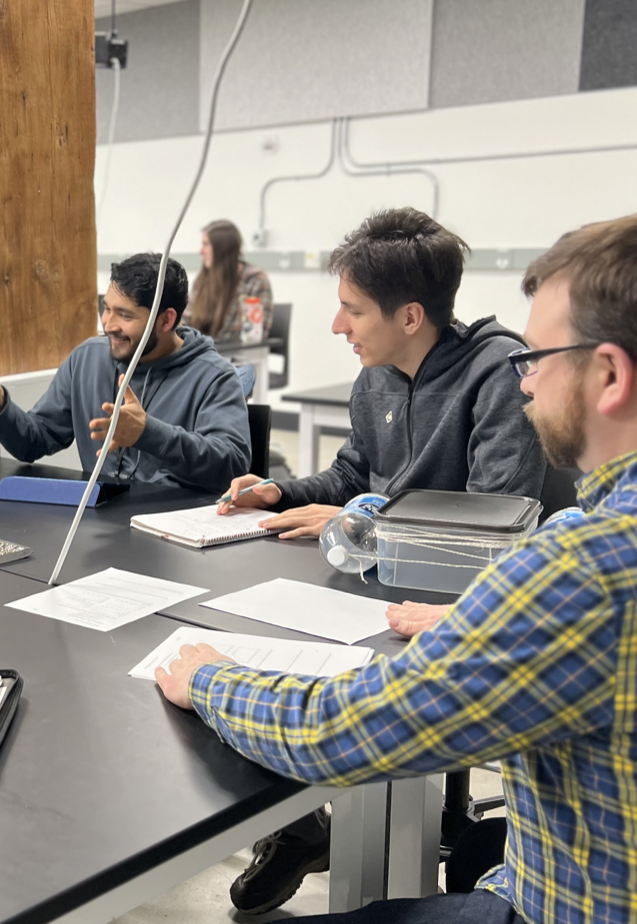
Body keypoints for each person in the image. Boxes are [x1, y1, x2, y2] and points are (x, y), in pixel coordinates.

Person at [156, 205, 637, 923]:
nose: (525, 384)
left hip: (579, 905)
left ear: (610, 375)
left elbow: (342, 735)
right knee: (481, 853)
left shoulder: (586, 572)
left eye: (535, 360)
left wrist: (209, 679)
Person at [211, 207, 546, 913]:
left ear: (413, 315)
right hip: (367, 592)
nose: (338, 327)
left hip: (446, 614)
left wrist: (365, 517)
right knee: (255, 660)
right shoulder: (377, 376)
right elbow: (351, 476)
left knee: (319, 708)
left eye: (351, 310)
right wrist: (280, 492)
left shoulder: (498, 376)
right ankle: (304, 830)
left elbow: (493, 522)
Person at [0, 253, 249, 493]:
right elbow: (35, 440)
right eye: (106, 308)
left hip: (175, 540)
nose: (108, 324)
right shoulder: (88, 358)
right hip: (98, 528)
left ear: (166, 321)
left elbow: (232, 465)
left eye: (125, 315)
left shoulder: (214, 377)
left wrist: (148, 434)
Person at [188, 219, 273, 344]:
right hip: (206, 355)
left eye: (205, 244)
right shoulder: (204, 279)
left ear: (221, 249)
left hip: (238, 357)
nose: (201, 252)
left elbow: (252, 337)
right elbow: (186, 319)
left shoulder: (255, 281)